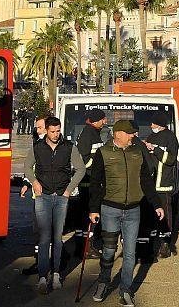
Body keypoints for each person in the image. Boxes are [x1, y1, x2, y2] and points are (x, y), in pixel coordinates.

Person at [88, 120, 164, 306]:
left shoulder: (137, 152)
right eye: (130, 133)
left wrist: (156, 204)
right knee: (109, 250)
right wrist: (93, 209)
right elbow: (95, 183)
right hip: (110, 209)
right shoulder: (103, 153)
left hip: (133, 210)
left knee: (130, 252)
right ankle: (103, 282)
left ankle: (126, 290)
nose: (133, 136)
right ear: (118, 134)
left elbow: (146, 180)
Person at [33, 116, 85, 293]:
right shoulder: (38, 147)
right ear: (46, 130)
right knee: (44, 238)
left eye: (58, 131)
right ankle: (42, 277)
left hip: (62, 197)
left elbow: (81, 169)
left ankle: (56, 274)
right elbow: (27, 166)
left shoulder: (69, 147)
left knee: (57, 237)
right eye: (53, 131)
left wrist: (69, 189)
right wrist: (34, 182)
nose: (56, 134)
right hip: (43, 197)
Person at [142, 115, 179, 259]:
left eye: (153, 123)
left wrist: (155, 149)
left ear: (159, 124)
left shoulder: (171, 138)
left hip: (163, 184)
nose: (151, 126)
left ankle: (166, 244)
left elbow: (170, 160)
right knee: (150, 216)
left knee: (165, 216)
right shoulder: (151, 136)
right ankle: (151, 244)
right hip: (150, 185)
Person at [76, 109, 109, 257]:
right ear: (96, 120)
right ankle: (85, 248)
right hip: (88, 182)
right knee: (88, 215)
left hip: (93, 181)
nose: (105, 121)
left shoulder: (94, 132)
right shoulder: (87, 134)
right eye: (103, 119)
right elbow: (83, 160)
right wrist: (97, 162)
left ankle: (87, 246)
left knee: (89, 215)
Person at [19, 115, 47, 276]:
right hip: (38, 195)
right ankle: (41, 260)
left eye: (40, 128)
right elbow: (31, 166)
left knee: (44, 231)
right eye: (37, 128)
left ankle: (45, 262)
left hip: (48, 196)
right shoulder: (37, 144)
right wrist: (26, 183)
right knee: (39, 231)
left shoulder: (52, 146)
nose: (37, 131)